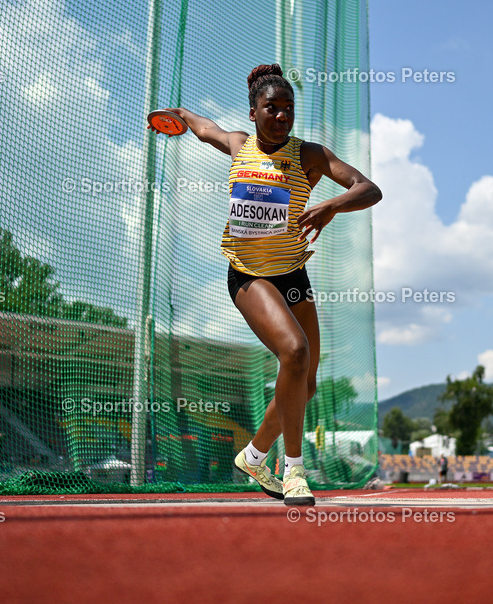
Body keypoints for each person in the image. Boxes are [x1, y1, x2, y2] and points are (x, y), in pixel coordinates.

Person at [155, 64, 381, 506]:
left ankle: (254, 456)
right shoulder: (239, 146)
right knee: (294, 352)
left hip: (292, 275)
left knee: (307, 382)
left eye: (288, 109)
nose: (281, 116)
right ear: (254, 111)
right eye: (271, 108)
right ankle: (294, 470)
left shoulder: (309, 155)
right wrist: (179, 115)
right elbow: (204, 129)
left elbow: (369, 189)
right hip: (248, 276)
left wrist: (332, 205)